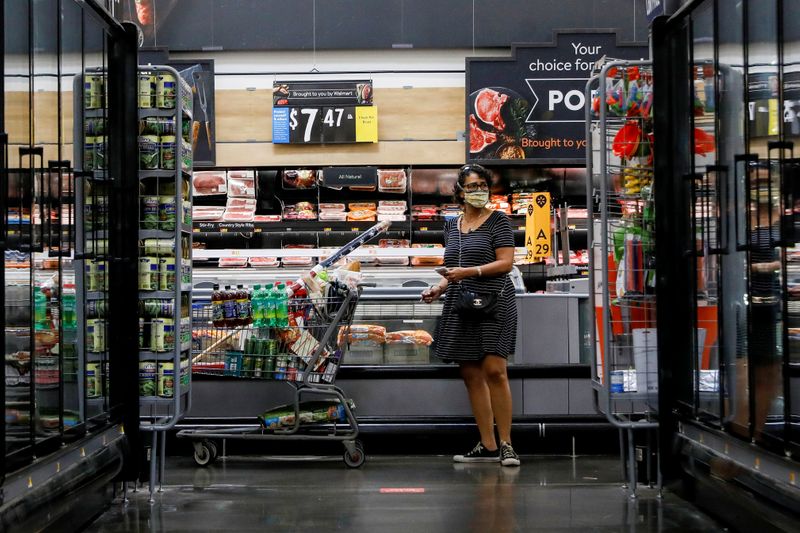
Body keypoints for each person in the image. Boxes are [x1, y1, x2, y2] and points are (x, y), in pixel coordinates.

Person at [421, 164, 520, 467]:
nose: (479, 191)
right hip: (461, 302)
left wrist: (471, 272)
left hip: (495, 301)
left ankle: (506, 444)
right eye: (473, 186)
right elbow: (453, 267)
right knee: (471, 375)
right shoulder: (451, 225)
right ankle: (487, 444)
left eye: (482, 185)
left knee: (494, 371)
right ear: (460, 192)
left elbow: (505, 263)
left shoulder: (499, 221)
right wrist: (438, 287)